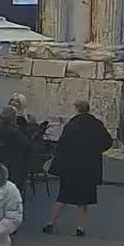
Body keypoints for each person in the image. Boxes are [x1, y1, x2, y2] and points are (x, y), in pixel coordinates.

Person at [42, 100, 113, 236]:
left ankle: (51, 222)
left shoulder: (71, 125)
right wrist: (96, 150)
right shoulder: (97, 124)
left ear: (77, 109)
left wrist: (58, 163)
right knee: (83, 200)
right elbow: (108, 142)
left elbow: (62, 146)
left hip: (71, 167)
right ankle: (80, 227)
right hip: (89, 167)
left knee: (62, 197)